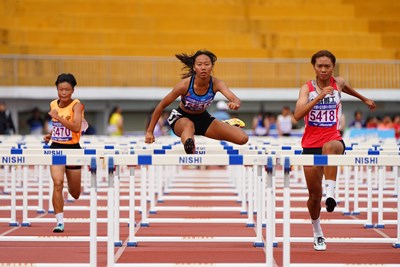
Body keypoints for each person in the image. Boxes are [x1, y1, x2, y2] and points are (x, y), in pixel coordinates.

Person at [293, 50, 376, 251]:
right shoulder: (307, 88)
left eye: (327, 66)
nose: (323, 69)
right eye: (319, 66)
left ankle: (331, 194)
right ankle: (317, 232)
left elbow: (346, 87)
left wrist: (364, 99)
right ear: (314, 67)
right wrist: (319, 97)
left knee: (330, 147)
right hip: (310, 144)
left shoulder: (338, 82)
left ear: (333, 67)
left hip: (333, 138)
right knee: (314, 196)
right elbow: (297, 115)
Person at [145, 49, 248, 153]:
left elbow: (235, 99)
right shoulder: (184, 85)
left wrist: (235, 104)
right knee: (189, 136)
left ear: (211, 66)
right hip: (181, 118)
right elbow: (161, 106)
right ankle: (189, 143)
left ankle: (225, 124)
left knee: (243, 138)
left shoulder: (217, 83)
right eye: (199, 64)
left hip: (203, 119)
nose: (203, 68)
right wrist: (150, 131)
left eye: (207, 64)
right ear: (194, 67)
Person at [43, 73, 85, 233]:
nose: (64, 93)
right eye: (61, 89)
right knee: (58, 183)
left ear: (73, 90)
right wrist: (51, 135)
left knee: (75, 193)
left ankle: (72, 184)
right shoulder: (53, 104)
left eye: (67, 90)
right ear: (57, 89)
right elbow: (59, 127)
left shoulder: (77, 106)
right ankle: (59, 222)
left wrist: (58, 118)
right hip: (56, 148)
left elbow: (75, 127)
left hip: (73, 149)